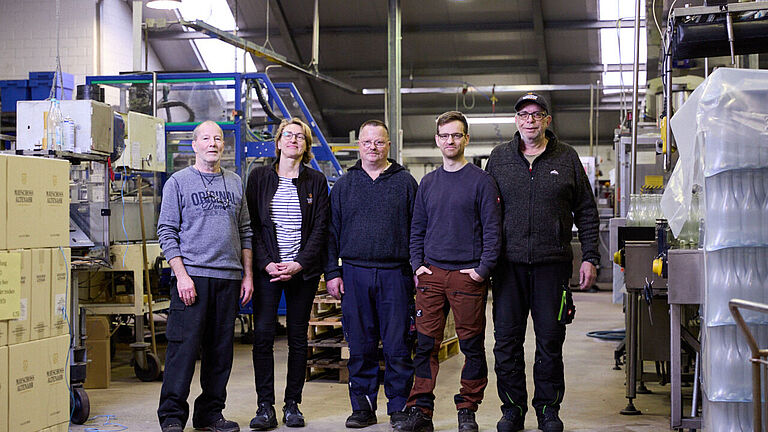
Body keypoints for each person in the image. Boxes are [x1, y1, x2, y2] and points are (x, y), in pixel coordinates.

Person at [485, 93, 599, 432]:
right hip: (508, 267)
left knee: (550, 341)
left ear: (547, 120)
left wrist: (590, 257)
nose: (530, 120)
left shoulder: (567, 158)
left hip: (553, 266)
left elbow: (587, 212)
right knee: (507, 343)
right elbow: (485, 211)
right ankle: (512, 410)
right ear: (516, 120)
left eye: (537, 114)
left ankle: (548, 410)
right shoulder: (499, 159)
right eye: (523, 114)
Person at [398, 111, 502, 432]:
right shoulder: (428, 183)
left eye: (456, 135)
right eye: (444, 136)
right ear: (437, 140)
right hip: (431, 278)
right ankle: (421, 411)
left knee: (471, 346)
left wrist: (481, 271)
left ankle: (467, 409)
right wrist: (418, 265)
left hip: (466, 278)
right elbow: (417, 229)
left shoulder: (482, 182)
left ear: (466, 139)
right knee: (426, 345)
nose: (450, 141)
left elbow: (493, 231)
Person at [157, 120, 253, 432]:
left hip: (228, 279)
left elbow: (246, 232)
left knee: (220, 353)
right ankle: (172, 416)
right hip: (192, 279)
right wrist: (182, 276)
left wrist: (247, 276)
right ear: (195, 144)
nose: (213, 143)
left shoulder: (236, 182)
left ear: (223, 146)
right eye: (206, 138)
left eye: (218, 139)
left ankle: (210, 414)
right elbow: (166, 232)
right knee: (182, 351)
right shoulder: (178, 182)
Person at [325, 119, 418, 429]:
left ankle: (399, 408)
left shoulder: (405, 182)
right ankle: (363, 408)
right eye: (367, 142)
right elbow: (331, 233)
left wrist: (417, 267)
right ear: (359, 145)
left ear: (388, 145)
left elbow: (419, 229)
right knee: (361, 346)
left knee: (397, 346)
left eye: (379, 142)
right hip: (354, 273)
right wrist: (332, 272)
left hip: (396, 275)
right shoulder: (344, 185)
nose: (373, 148)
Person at [245, 118, 329, 430]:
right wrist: (266, 263)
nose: (293, 140)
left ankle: (292, 403)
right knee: (263, 336)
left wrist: (299, 264)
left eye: (300, 137)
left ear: (306, 146)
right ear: (278, 142)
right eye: (288, 135)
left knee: (297, 337)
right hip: (268, 271)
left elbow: (320, 229)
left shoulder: (316, 181)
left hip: (301, 273)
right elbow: (251, 225)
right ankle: (264, 406)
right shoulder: (259, 178)